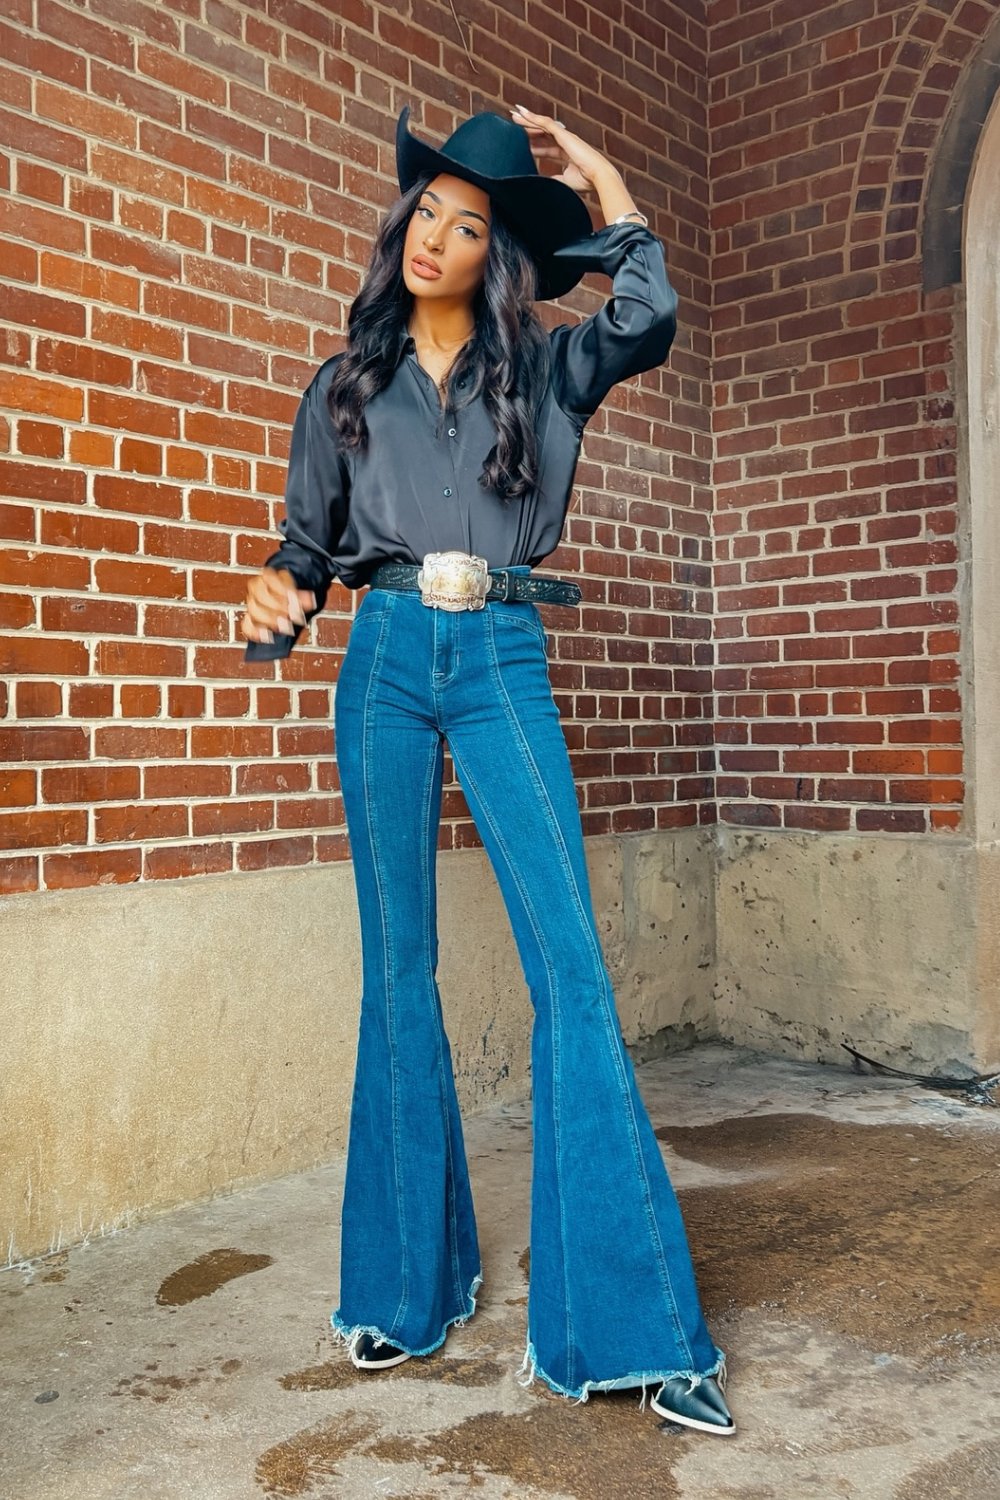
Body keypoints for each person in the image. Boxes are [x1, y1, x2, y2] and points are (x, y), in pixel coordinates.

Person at [241, 102, 733, 1437]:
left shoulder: (551, 370)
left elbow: (654, 313)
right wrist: (276, 596)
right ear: (401, 228)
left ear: (497, 253)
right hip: (387, 659)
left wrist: (604, 184)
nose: (436, 237)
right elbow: (307, 549)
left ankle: (628, 1333)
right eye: (427, 213)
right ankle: (408, 1290)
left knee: (569, 965)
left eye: (469, 223)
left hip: (503, 653)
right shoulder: (342, 388)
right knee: (399, 971)